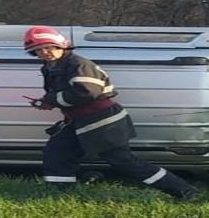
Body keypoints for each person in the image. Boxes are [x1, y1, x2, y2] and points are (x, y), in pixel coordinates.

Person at [23, 25, 198, 201]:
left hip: (103, 121)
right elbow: (71, 95)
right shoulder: (52, 66)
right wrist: (49, 102)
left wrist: (51, 100)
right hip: (80, 120)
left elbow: (87, 92)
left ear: (61, 45)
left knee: (123, 161)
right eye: (38, 50)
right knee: (58, 152)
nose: (44, 52)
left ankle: (183, 190)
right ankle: (59, 195)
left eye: (48, 47)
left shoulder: (78, 64)